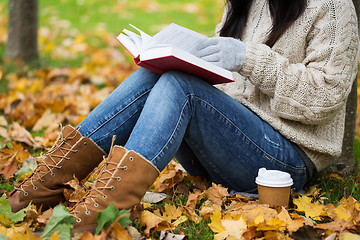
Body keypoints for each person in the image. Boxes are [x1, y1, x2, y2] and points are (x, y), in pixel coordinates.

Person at [8, 0, 359, 234]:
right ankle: (39, 191)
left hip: (282, 163)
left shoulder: (331, 8)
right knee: (156, 75)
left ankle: (99, 215)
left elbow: (324, 97)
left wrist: (249, 58)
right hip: (227, 150)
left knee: (181, 86)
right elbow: (227, 79)